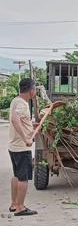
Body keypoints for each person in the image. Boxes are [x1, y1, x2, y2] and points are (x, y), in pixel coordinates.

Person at [8, 78, 37, 216]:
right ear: (31, 91)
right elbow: (15, 119)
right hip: (21, 147)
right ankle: (20, 207)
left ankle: (14, 204)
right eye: (35, 89)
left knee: (16, 175)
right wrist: (26, 138)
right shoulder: (23, 104)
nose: (35, 92)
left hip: (13, 146)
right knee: (23, 178)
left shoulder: (15, 100)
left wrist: (32, 126)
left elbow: (21, 119)